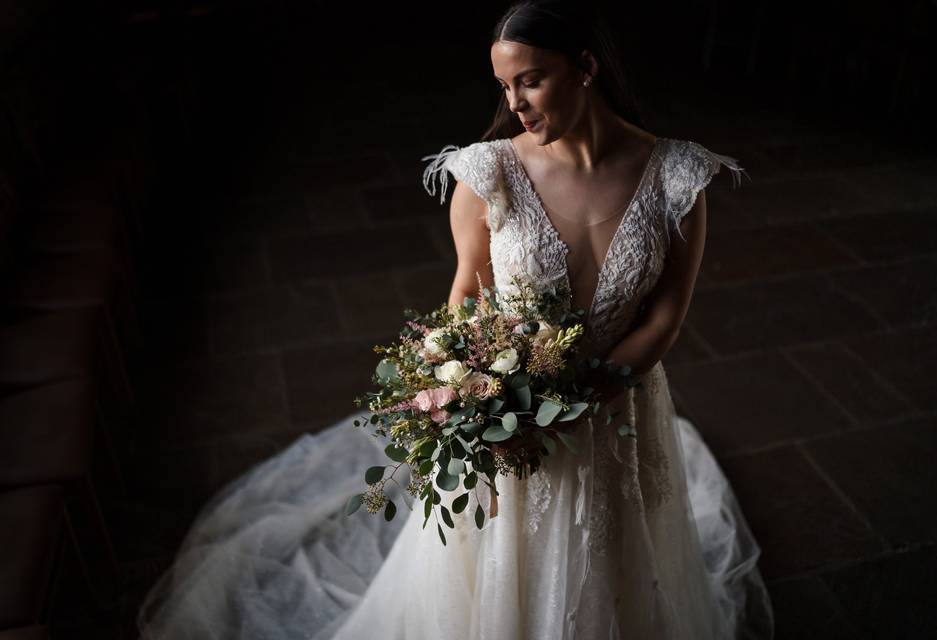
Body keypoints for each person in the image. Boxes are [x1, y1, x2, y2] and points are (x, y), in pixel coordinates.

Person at [137, 2, 775, 638]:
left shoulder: (676, 178)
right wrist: (476, 397)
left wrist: (586, 393)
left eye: (531, 79)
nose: (517, 104)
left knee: (608, 563)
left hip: (617, 409)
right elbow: (469, 294)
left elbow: (666, 316)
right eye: (505, 86)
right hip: (511, 415)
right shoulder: (489, 172)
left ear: (586, 67)